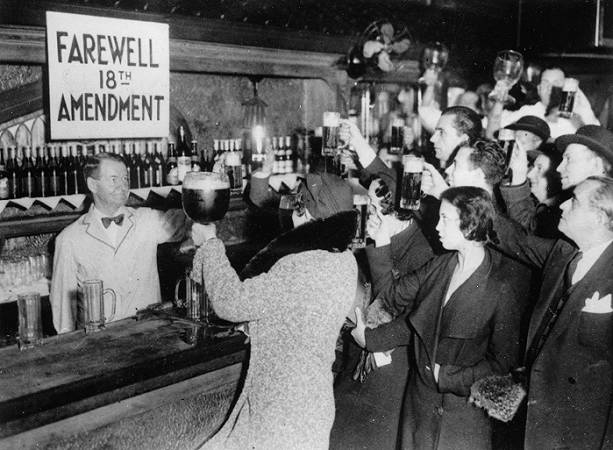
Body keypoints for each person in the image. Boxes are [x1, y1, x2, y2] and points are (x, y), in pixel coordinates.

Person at [191, 172, 359, 450]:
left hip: (281, 408)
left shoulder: (300, 266)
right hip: (310, 402)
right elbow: (295, 311)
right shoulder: (344, 260)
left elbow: (231, 303)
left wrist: (209, 244)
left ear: (303, 211)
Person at [352, 186, 522, 450]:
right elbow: (393, 296)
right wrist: (381, 239)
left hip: (462, 417)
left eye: (445, 219)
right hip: (419, 406)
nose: (437, 226)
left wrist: (448, 377)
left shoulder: (501, 288)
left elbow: (503, 366)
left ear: (470, 225)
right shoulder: (441, 265)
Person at [491, 176, 613, 449]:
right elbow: (517, 241)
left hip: (580, 435)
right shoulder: (564, 252)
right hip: (536, 423)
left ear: (600, 218)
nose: (563, 206)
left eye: (575, 201)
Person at [50, 153, 188, 334]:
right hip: (102, 344)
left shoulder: (147, 220)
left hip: (150, 334)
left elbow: (189, 220)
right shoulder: (69, 239)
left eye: (125, 179)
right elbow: (63, 312)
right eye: (113, 179)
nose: (123, 186)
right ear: (93, 184)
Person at [501, 125, 613, 237]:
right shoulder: (569, 202)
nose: (559, 168)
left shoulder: (585, 216)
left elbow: (530, 239)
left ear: (596, 165)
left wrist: (519, 176)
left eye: (569, 159)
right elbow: (531, 228)